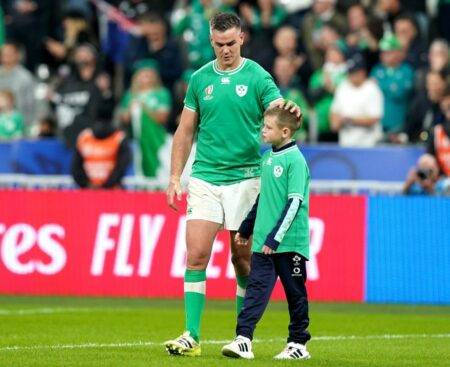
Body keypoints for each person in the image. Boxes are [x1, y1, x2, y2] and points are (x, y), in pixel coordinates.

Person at [164, 12, 300, 357]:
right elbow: (185, 130)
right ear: (211, 42)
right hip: (206, 177)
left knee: (242, 259)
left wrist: (288, 109)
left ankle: (243, 337)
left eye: (231, 43)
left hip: (246, 178)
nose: (225, 50)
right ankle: (191, 336)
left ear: (241, 38)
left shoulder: (257, 76)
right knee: (195, 255)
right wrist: (175, 176)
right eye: (219, 44)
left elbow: (276, 112)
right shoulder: (199, 79)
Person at [221, 106, 311, 360]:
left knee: (295, 293)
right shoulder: (268, 158)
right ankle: (243, 339)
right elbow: (264, 197)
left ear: (284, 131)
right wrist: (247, 228)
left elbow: (295, 202)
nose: (263, 131)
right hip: (263, 243)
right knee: (256, 290)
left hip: (289, 244)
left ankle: (298, 343)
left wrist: (276, 237)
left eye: (268, 128)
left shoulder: (295, 160)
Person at [330, 53, 384, 147]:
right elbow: (334, 112)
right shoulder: (343, 87)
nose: (350, 76)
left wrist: (350, 120)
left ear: (362, 72)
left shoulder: (372, 89)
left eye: (353, 73)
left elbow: (375, 117)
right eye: (349, 73)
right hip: (345, 142)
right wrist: (335, 123)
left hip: (369, 143)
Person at [72, 111, 130, 189]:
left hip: (109, 189)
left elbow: (121, 167)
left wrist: (89, 185)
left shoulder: (119, 138)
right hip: (95, 189)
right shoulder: (84, 137)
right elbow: (76, 167)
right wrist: (87, 184)